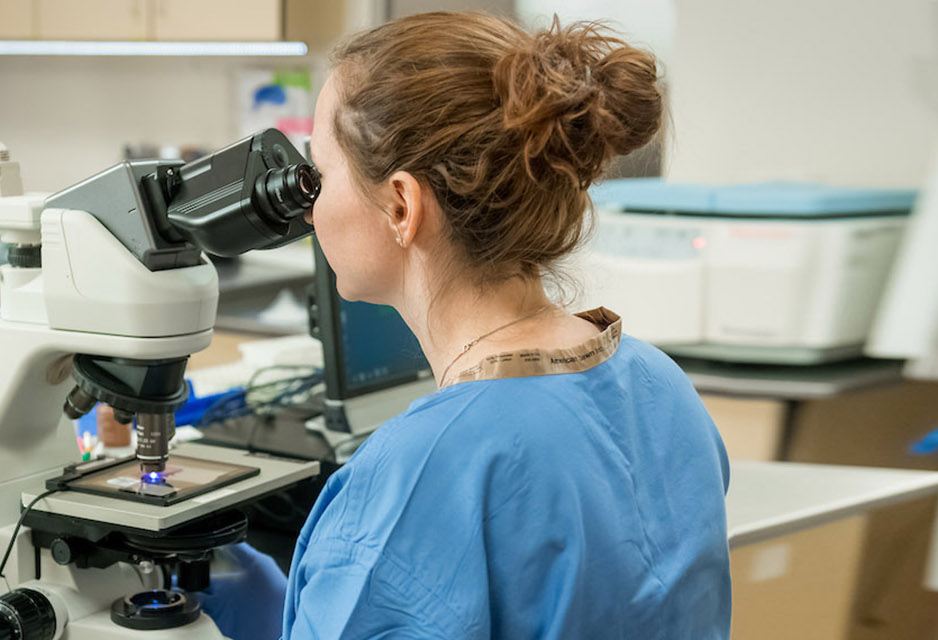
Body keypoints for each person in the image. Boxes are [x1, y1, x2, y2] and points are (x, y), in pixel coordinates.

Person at [203, 11, 731, 640]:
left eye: (319, 173)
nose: (310, 210)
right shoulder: (658, 384)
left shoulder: (416, 477)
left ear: (402, 203)